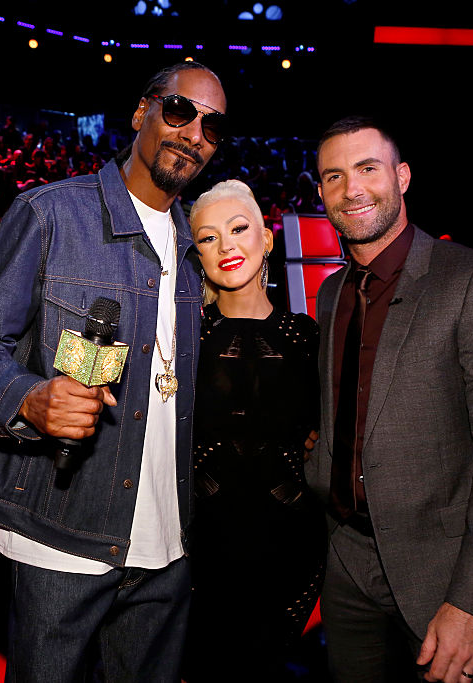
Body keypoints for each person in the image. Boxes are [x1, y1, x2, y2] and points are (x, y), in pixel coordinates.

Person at [0, 61, 228, 682]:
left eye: (212, 127)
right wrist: (28, 399)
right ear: (142, 112)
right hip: (62, 534)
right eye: (180, 111)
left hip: (168, 544)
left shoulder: (195, 249)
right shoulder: (50, 214)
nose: (193, 134)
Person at [306, 116, 473, 683]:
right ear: (321, 193)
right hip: (346, 563)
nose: (352, 189)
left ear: (402, 176)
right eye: (334, 176)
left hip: (444, 574)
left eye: (368, 168)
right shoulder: (333, 292)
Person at [183, 180, 325, 680]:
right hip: (199, 550)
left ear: (266, 239)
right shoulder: (182, 335)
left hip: (290, 547)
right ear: (197, 254)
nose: (226, 245)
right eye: (208, 237)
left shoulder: (307, 337)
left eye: (239, 228)